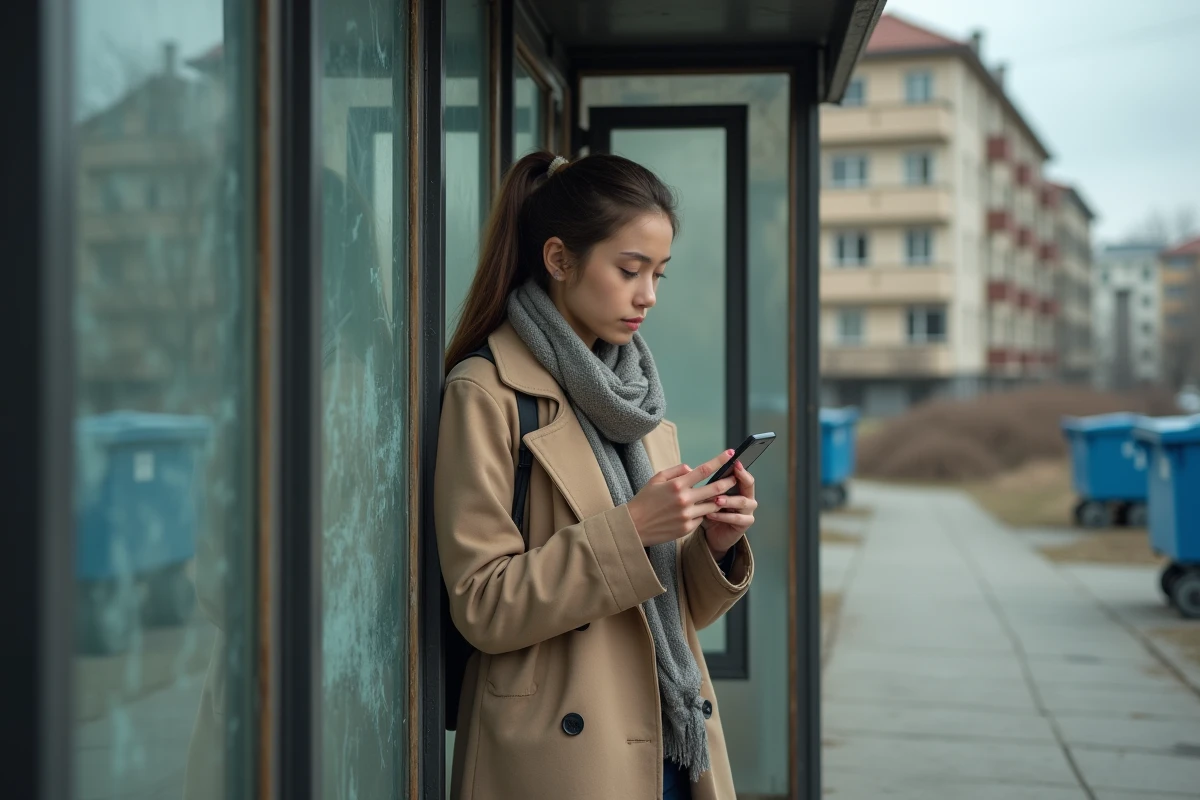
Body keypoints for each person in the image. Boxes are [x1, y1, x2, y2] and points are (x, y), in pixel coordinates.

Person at [436, 150, 757, 800]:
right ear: (559, 260)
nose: (649, 296)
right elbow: (481, 605)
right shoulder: (487, 391)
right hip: (562, 758)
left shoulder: (633, 397)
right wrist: (632, 529)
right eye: (630, 270)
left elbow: (667, 608)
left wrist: (712, 545)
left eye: (659, 274)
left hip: (669, 742)